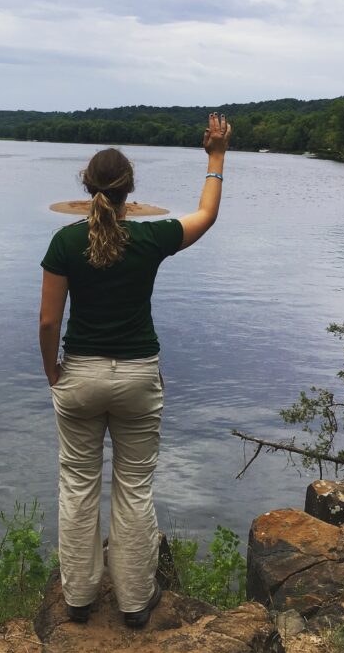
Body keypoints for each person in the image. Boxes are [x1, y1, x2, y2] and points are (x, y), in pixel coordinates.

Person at [39, 113, 232, 627]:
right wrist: (215, 156)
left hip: (79, 376)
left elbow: (48, 321)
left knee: (78, 486)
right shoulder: (149, 239)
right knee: (134, 488)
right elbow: (206, 215)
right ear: (130, 193)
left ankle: (79, 600)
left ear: (87, 187)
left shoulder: (64, 243)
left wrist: (52, 372)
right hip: (139, 379)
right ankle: (133, 604)